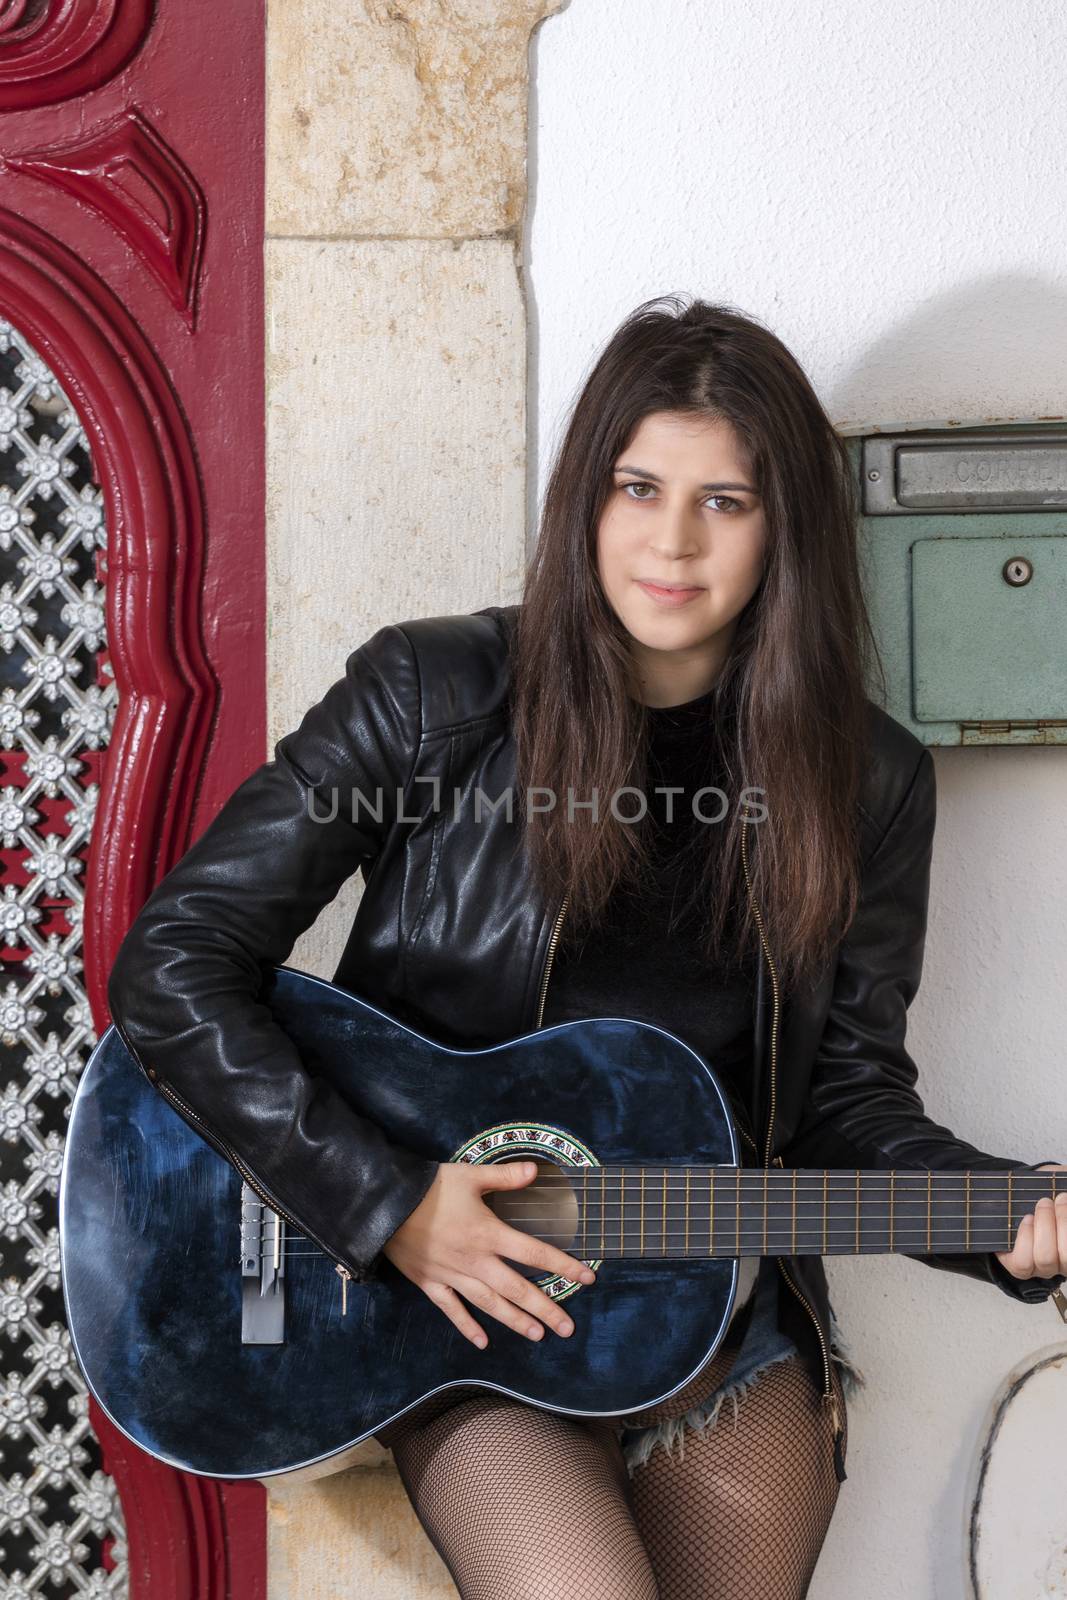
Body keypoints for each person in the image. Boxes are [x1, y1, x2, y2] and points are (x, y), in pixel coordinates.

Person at [106, 295, 1067, 1600]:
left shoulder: (866, 779)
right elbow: (175, 962)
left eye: (725, 501)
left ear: (785, 525)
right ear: (586, 498)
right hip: (451, 1314)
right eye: (638, 486)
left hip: (717, 1315)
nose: (673, 542)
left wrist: (1002, 1223)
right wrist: (386, 1205)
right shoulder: (430, 695)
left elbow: (842, 1097)